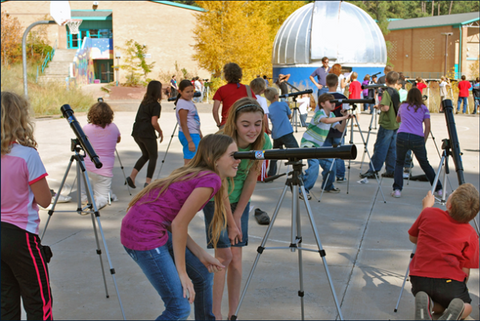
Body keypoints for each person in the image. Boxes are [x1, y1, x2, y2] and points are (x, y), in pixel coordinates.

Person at [121, 134, 239, 320]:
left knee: (202, 274)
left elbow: (173, 223)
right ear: (213, 160)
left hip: (154, 229)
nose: (238, 160)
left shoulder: (202, 174)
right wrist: (182, 273)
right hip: (144, 235)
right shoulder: (211, 180)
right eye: (233, 155)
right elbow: (178, 224)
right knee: (179, 308)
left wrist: (202, 254)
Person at [203, 97, 272, 320]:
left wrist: (239, 214)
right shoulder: (222, 142)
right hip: (215, 199)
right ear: (234, 122)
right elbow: (219, 185)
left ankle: (233, 313)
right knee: (222, 256)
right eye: (246, 124)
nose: (253, 130)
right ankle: (215, 313)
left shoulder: (264, 143)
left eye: (258, 123)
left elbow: (252, 177)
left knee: (236, 258)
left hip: (239, 202)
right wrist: (232, 223)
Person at [1, 91, 53, 320]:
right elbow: (44, 200)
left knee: (5, 301)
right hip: (20, 235)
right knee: (38, 300)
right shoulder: (26, 155)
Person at [409, 184, 479, 320]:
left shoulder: (429, 213)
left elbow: (413, 238)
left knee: (437, 301)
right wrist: (461, 287)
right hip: (449, 282)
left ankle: (428, 306)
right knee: (466, 305)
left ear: (449, 205)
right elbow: (466, 268)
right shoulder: (471, 233)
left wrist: (425, 208)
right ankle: (451, 315)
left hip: (420, 280)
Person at [391, 87, 443, 198]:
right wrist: (423, 140)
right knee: (424, 163)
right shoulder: (424, 108)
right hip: (417, 137)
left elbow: (398, 120)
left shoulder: (402, 106)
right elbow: (428, 127)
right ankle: (438, 188)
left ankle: (397, 189)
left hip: (402, 135)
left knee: (399, 162)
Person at [300, 93, 352, 199]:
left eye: (334, 102)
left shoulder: (332, 115)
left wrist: (344, 118)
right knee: (314, 166)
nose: (333, 104)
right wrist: (342, 116)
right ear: (322, 104)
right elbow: (326, 121)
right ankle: (303, 189)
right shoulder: (319, 114)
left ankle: (328, 186)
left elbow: (341, 129)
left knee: (330, 164)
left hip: (318, 146)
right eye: (330, 102)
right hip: (308, 144)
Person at [81, 101, 121, 210]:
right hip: (104, 169)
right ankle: (95, 203)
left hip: (87, 166)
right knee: (103, 197)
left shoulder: (86, 128)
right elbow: (118, 139)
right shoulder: (113, 127)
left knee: (82, 177)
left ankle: (84, 198)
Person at [360, 71, 400, 179]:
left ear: (386, 80)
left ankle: (374, 169)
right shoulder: (396, 92)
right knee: (392, 148)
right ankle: (391, 169)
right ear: (396, 81)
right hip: (395, 123)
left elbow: (386, 107)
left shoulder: (387, 93)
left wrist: (379, 107)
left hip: (386, 124)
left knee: (380, 147)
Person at [126, 80, 164, 189]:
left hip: (137, 131)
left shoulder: (144, 102)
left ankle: (132, 177)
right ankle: (148, 182)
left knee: (145, 155)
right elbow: (154, 122)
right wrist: (160, 131)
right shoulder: (156, 105)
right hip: (147, 132)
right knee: (153, 156)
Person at [264, 87, 299, 177]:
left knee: (275, 155)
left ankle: (271, 174)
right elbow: (289, 116)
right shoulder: (283, 105)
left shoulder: (269, 108)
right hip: (286, 132)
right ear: (276, 96)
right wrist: (287, 106)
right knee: (296, 151)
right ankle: (298, 172)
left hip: (276, 134)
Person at [212, 63, 256, 129]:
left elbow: (215, 110)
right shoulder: (247, 89)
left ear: (226, 75)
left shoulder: (221, 90)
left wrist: (219, 124)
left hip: (227, 124)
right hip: (244, 124)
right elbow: (255, 106)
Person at [325, 73, 348, 182]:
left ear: (326, 83)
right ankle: (340, 175)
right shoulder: (342, 97)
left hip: (325, 129)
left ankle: (328, 174)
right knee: (339, 152)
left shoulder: (323, 98)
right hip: (339, 127)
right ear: (337, 83)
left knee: (326, 153)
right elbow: (346, 111)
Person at [175, 79, 203, 165]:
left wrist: (199, 133)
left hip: (194, 133)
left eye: (192, 91)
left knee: (196, 160)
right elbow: (184, 124)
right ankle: (187, 178)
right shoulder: (183, 104)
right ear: (180, 91)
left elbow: (193, 120)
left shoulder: (187, 101)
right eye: (187, 92)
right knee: (190, 162)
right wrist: (190, 141)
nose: (190, 94)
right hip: (189, 135)